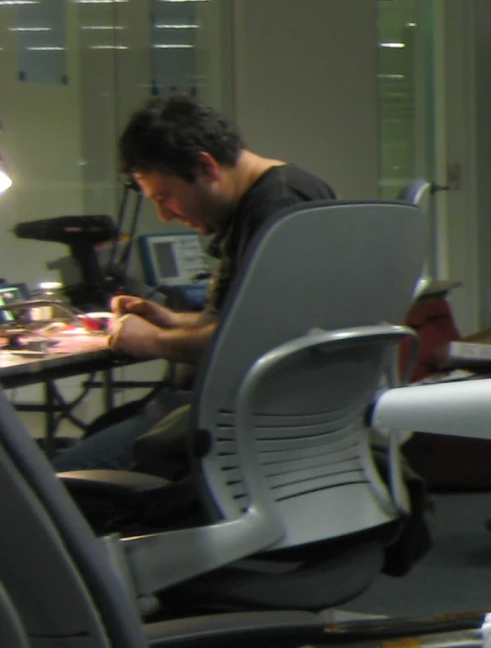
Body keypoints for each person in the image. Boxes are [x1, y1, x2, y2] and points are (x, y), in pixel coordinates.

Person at [54, 95, 334, 473]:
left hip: (235, 420)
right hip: (250, 411)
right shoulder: (290, 192)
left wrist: (152, 340)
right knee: (99, 433)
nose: (164, 215)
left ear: (206, 166)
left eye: (166, 197)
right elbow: (247, 321)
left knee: (56, 483)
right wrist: (170, 320)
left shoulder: (275, 211)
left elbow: (257, 342)